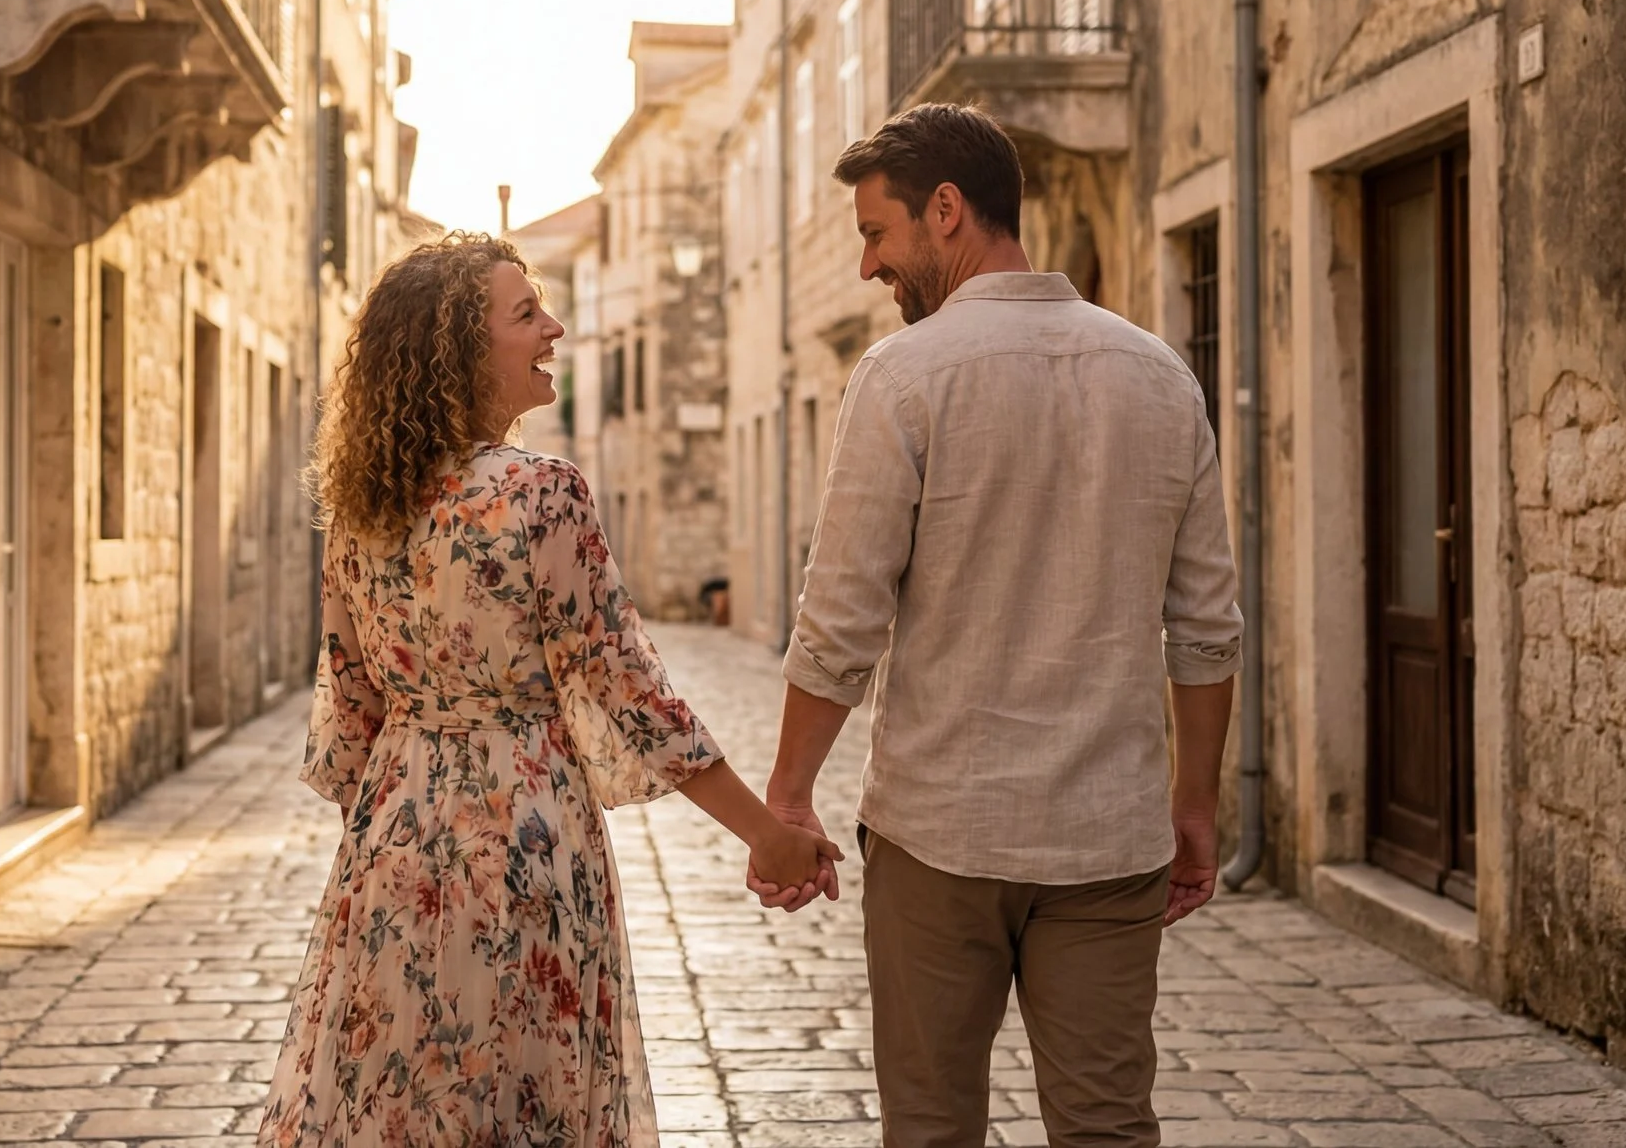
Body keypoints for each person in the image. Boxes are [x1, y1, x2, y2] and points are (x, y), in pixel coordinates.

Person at [262, 233, 842, 1148]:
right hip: (525, 834)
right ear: (459, 349)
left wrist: (392, 852)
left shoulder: (360, 507)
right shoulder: (542, 494)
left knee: (407, 1107)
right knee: (526, 1104)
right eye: (526, 314)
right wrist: (768, 832)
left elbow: (350, 713)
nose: (555, 327)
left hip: (392, 847)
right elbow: (629, 691)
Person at [751, 104, 1243, 1148]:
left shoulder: (904, 378)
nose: (867, 266)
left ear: (946, 209)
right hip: (1109, 836)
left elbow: (840, 620)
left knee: (930, 1129)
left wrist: (789, 796)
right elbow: (1206, 627)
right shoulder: (1161, 375)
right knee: (1107, 1126)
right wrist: (1192, 807)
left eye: (875, 234)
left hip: (941, 834)